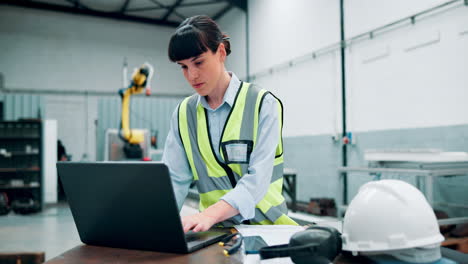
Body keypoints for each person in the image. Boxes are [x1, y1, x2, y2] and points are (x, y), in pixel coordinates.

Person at [162, 15, 297, 233]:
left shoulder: (263, 104)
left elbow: (257, 180)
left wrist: (208, 214)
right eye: (183, 67)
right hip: (216, 233)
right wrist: (154, 226)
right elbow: (173, 180)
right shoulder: (183, 114)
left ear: (221, 52)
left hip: (268, 231)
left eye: (198, 62)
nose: (192, 75)